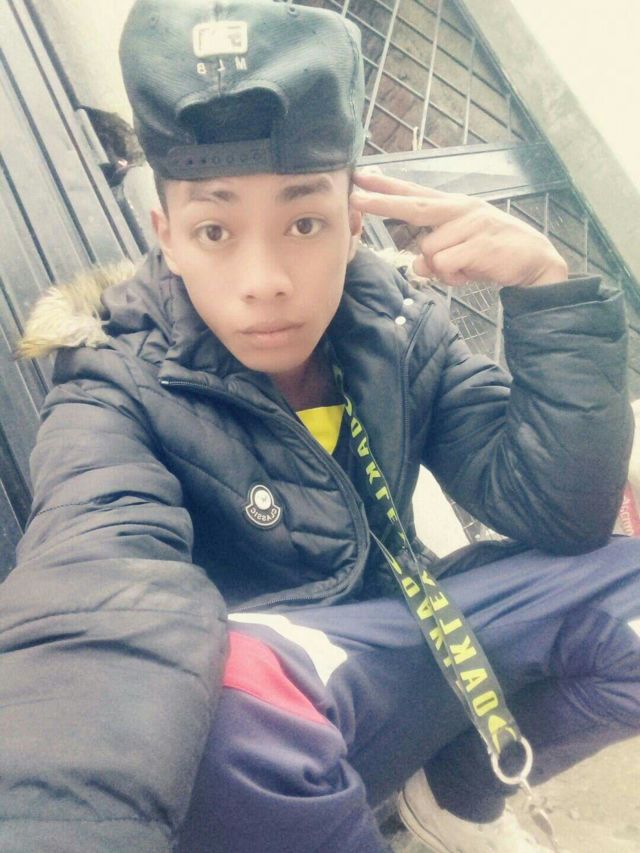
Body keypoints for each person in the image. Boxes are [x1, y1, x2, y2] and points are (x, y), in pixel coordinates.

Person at [1, 0, 639, 851]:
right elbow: (97, 589)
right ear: (168, 238)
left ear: (353, 225)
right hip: (258, 745)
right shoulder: (111, 384)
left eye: (304, 222)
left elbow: (556, 514)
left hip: (396, 658)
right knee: (233, 689)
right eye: (215, 229)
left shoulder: (396, 327)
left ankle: (451, 795)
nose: (264, 277)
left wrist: (546, 288)